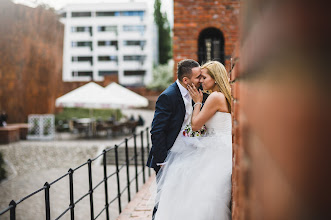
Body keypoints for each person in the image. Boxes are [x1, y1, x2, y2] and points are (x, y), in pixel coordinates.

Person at [154, 61, 232, 220]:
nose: (201, 81)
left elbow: (195, 125)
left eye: (204, 77)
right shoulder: (222, 96)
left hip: (216, 150)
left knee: (192, 191)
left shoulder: (214, 97)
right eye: (199, 77)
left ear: (215, 78)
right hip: (222, 147)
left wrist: (197, 102)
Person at [146, 59, 202, 219]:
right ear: (186, 80)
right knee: (164, 199)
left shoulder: (194, 94)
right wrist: (162, 161)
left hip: (185, 153)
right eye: (198, 77)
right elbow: (157, 131)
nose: (201, 80)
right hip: (167, 157)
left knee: (181, 198)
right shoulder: (168, 96)